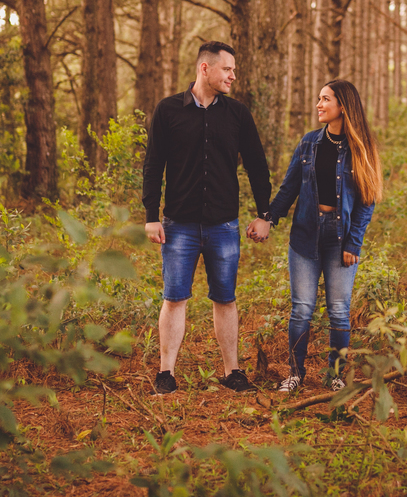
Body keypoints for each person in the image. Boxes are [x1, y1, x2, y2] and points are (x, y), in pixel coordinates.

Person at [143, 41, 272, 394]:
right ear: (205, 69)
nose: (233, 75)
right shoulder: (168, 111)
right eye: (227, 69)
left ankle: (232, 372)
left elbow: (258, 168)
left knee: (225, 298)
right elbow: (153, 166)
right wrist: (151, 215)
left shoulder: (238, 115)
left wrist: (266, 215)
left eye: (233, 70)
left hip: (223, 225)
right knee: (174, 297)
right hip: (178, 224)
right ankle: (166, 373)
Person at [250, 79, 383, 393]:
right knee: (301, 309)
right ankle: (296, 374)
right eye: (319, 99)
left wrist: (354, 243)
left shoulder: (361, 147)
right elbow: (289, 188)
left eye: (325, 99)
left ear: (343, 107)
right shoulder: (309, 142)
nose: (319, 105)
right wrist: (267, 217)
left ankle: (335, 376)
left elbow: (368, 200)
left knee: (338, 309)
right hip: (305, 236)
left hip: (340, 241)